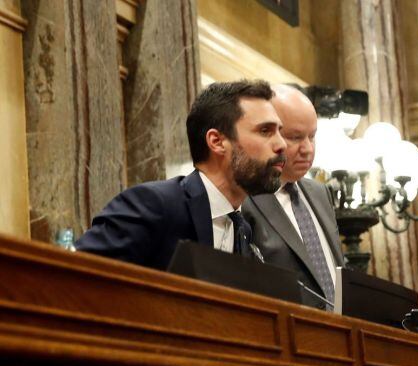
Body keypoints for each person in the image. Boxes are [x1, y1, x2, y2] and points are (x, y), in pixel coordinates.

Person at [77, 81, 287, 269]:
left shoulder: (242, 229)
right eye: (265, 131)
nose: (281, 144)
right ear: (216, 141)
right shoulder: (155, 205)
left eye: (280, 131)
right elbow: (75, 277)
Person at [243, 85, 344, 309]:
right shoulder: (245, 197)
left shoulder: (320, 193)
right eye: (295, 137)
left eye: (312, 136)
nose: (307, 148)